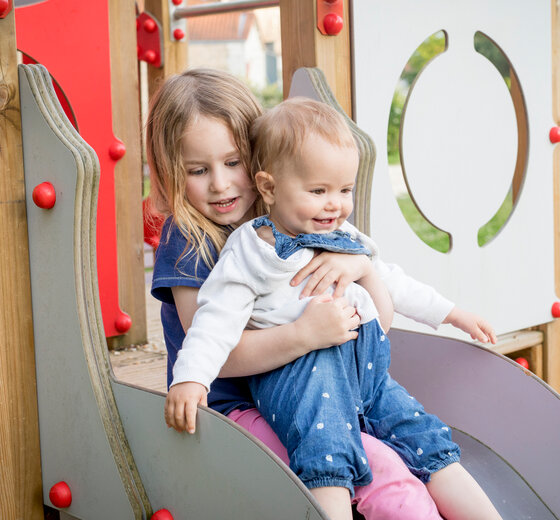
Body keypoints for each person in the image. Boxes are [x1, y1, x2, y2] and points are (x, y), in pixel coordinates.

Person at [166, 97, 501, 520]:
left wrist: (450, 313)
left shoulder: (339, 232)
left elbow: (391, 279)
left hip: (369, 376)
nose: (334, 204)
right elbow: (216, 320)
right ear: (268, 187)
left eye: (344, 190)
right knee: (326, 458)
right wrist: (192, 377)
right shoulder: (251, 249)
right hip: (302, 376)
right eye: (318, 191)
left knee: (427, 440)